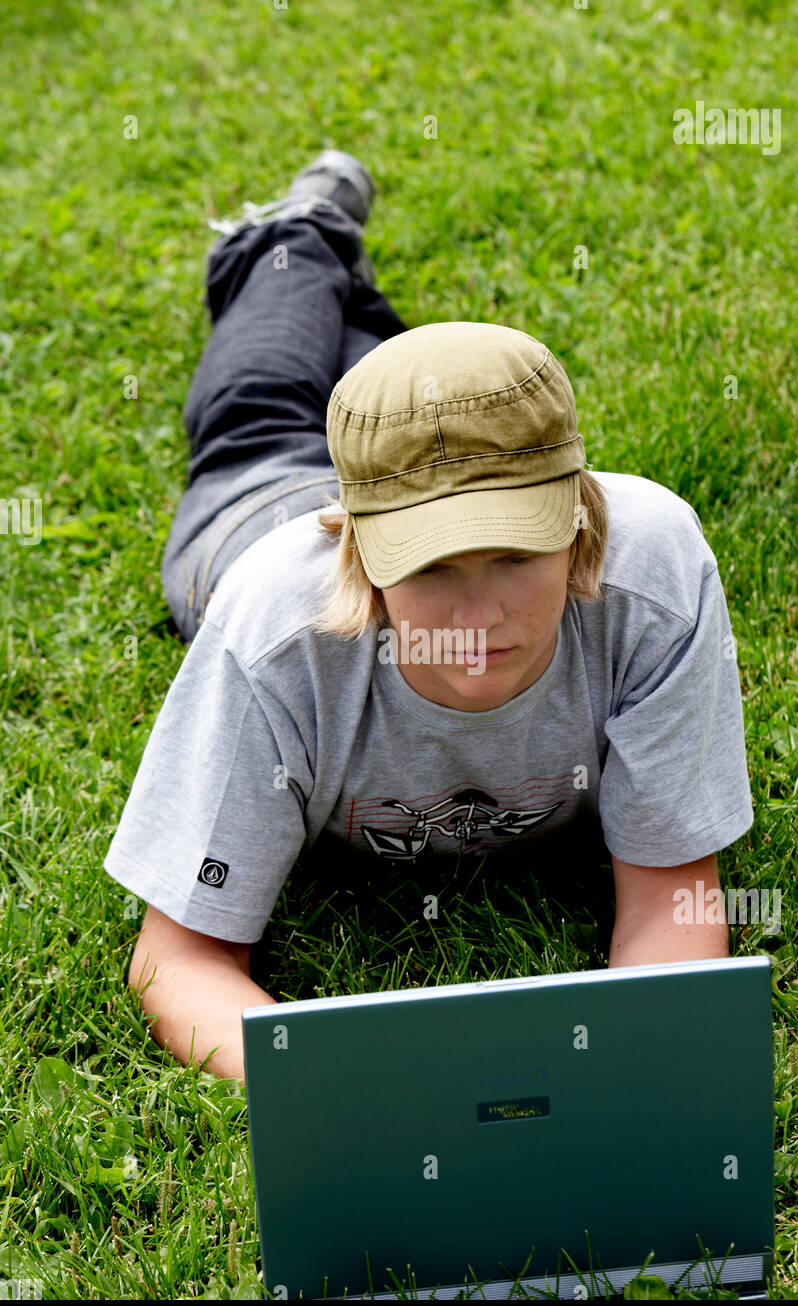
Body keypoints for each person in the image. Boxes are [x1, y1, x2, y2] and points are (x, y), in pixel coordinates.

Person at [103, 151, 754, 1082]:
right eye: (435, 564)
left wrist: (616, 1073)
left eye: (515, 552)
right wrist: (354, 1101)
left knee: (427, 403)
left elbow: (671, 900)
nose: (480, 610)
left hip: (393, 487)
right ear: (363, 552)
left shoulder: (652, 577)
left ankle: (363, 315)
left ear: (578, 525)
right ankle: (294, 234)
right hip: (264, 509)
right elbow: (179, 957)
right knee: (256, 408)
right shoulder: (273, 631)